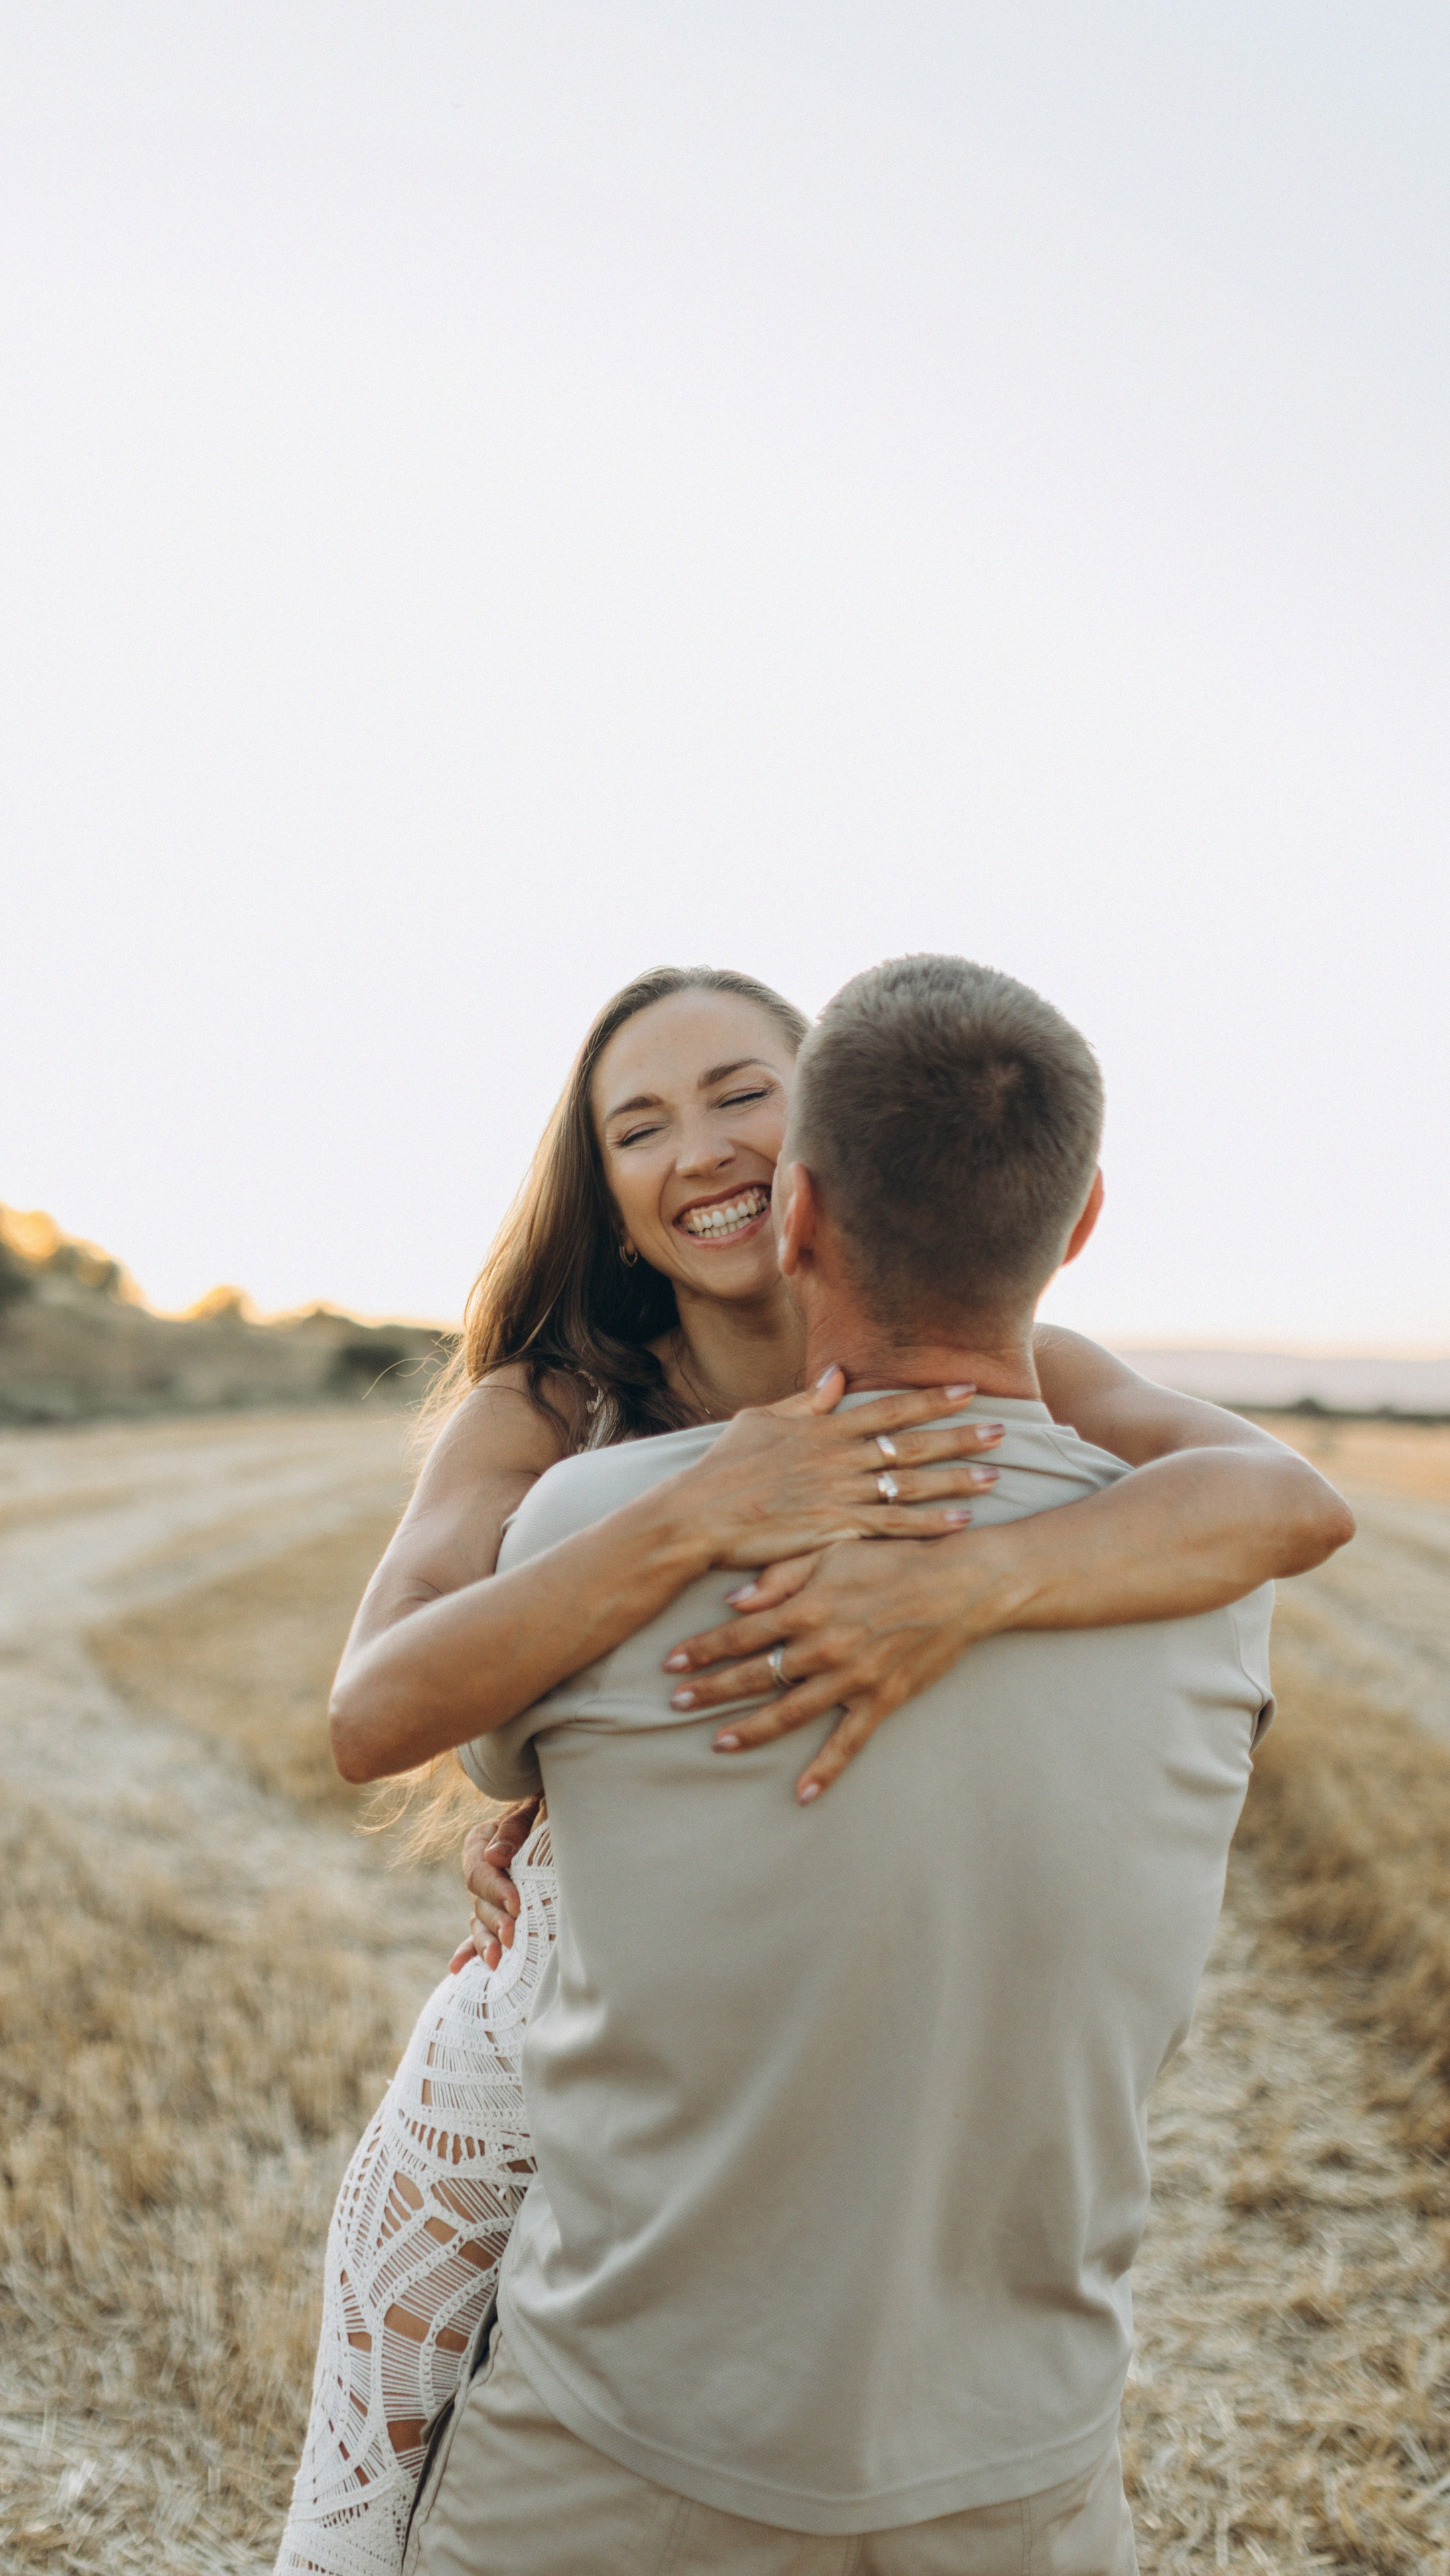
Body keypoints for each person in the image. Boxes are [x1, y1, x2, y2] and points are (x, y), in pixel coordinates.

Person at [273, 962, 1350, 2576]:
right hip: (562, 2004)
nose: (694, 1146)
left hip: (816, 1998)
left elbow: (1282, 1503)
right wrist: (695, 1517)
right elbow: (377, 1710)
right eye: (636, 1126)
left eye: (737, 1098)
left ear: (811, 1181)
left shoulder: (1038, 1379)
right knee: (387, 2472)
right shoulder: (553, 1415)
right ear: (607, 1193)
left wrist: (961, 1584)